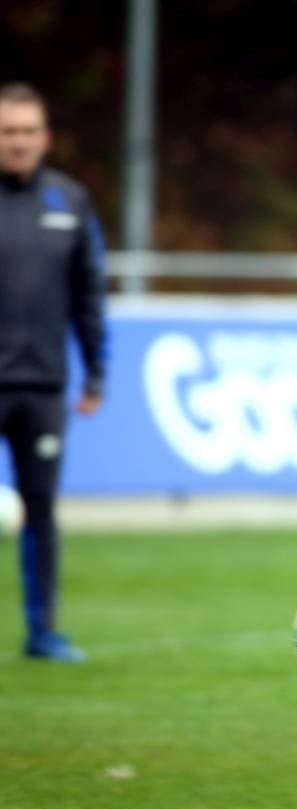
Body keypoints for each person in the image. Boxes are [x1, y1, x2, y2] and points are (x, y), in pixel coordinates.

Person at [0, 82, 107, 663]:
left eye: (27, 131)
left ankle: (43, 631)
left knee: (40, 510)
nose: (17, 141)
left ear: (45, 137)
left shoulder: (70, 200)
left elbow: (88, 293)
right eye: (7, 131)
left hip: (42, 385)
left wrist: (96, 371)